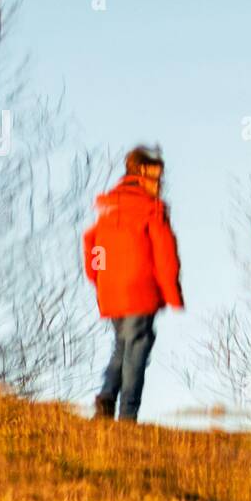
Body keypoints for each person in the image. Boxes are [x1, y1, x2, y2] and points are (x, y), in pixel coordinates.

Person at [82, 146, 185, 421]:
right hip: (140, 290)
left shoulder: (108, 208)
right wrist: (172, 293)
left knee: (122, 344)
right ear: (141, 174)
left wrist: (100, 277)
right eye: (156, 178)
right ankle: (127, 415)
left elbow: (93, 245)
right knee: (136, 350)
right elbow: (165, 256)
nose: (160, 185)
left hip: (112, 291)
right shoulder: (152, 211)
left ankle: (106, 396)